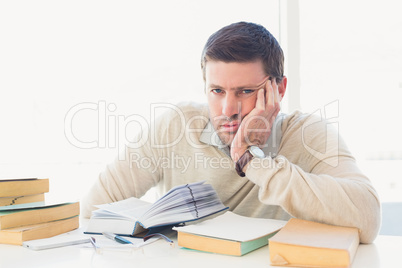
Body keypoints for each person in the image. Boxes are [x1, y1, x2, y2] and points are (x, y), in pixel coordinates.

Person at [82, 21, 380, 243]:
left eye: (246, 91)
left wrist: (249, 158)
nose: (228, 109)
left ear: (280, 88)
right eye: (217, 90)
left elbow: (368, 219)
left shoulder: (306, 133)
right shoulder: (176, 125)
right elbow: (93, 210)